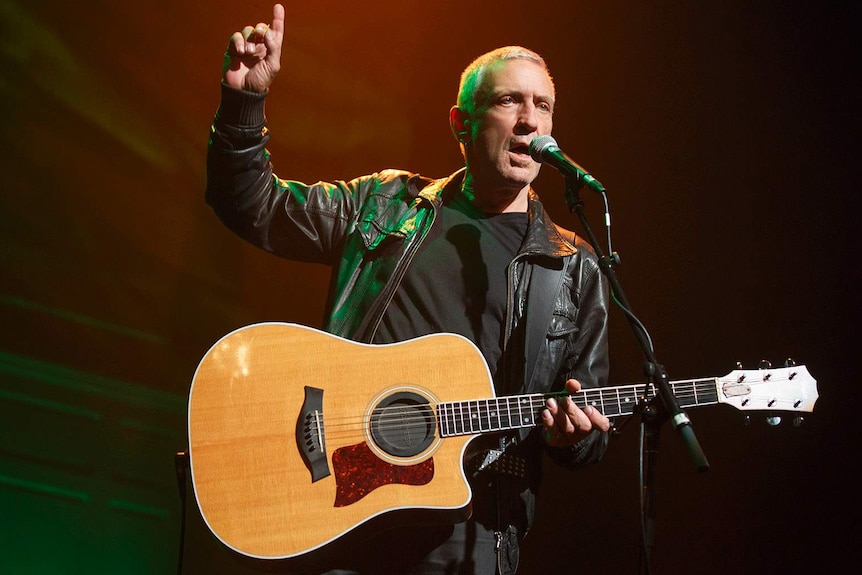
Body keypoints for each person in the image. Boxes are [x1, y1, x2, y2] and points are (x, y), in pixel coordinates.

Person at [205, 4, 611, 574]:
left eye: (542, 105)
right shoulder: (385, 204)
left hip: (469, 531)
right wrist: (245, 104)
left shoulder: (573, 267)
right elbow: (255, 206)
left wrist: (576, 437)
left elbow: (586, 422)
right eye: (508, 101)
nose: (529, 121)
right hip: (342, 504)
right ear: (460, 124)